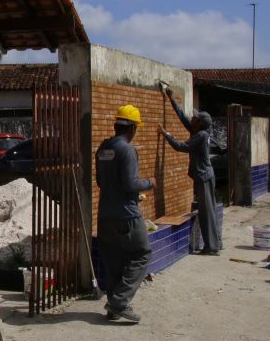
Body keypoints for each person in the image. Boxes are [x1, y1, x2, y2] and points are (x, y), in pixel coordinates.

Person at [95, 105, 156, 323]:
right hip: (126, 215)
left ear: (116, 125)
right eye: (135, 128)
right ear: (131, 128)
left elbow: (100, 182)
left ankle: (113, 307)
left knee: (114, 262)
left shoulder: (103, 149)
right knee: (142, 254)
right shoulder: (127, 150)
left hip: (105, 215)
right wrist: (149, 183)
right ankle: (120, 302)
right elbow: (130, 183)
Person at [158, 87, 221, 255]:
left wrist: (166, 135)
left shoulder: (200, 136)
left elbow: (181, 147)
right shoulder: (197, 131)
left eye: (195, 118)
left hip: (204, 177)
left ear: (200, 123)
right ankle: (215, 243)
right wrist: (171, 99)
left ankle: (212, 247)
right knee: (209, 210)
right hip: (204, 176)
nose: (192, 118)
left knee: (206, 212)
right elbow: (182, 117)